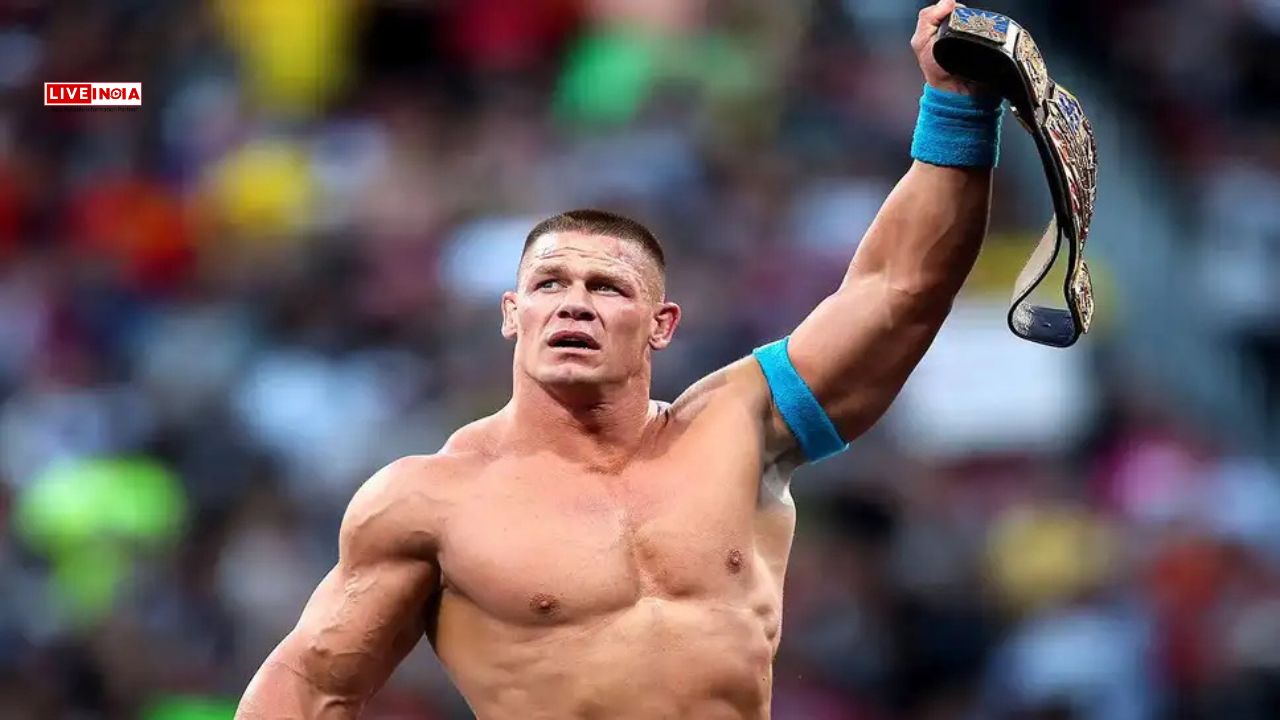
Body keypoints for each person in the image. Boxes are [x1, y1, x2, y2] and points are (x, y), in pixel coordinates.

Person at [236, 1, 1001, 717]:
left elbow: (899, 290)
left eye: (607, 288)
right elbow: (309, 682)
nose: (574, 304)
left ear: (661, 325)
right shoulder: (430, 501)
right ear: (512, 315)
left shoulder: (737, 430)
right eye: (549, 285)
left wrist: (958, 107)